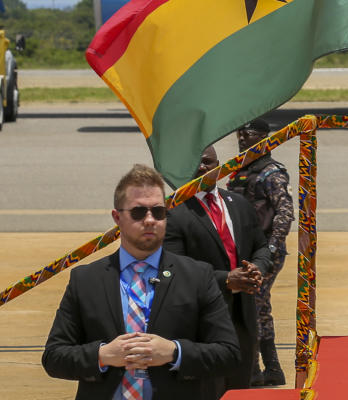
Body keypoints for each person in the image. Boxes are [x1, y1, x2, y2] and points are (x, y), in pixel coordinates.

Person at [42, 164, 241, 400]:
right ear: (117, 217)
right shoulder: (85, 280)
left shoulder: (198, 276)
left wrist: (174, 352)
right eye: (138, 212)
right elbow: (54, 357)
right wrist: (103, 355)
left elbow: (229, 354)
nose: (149, 220)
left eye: (158, 212)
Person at [163, 146, 273, 391]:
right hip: (200, 324)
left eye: (207, 162)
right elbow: (174, 268)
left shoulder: (239, 204)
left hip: (242, 320)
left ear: (218, 166)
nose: (202, 168)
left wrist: (257, 268)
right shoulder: (173, 211)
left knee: (239, 390)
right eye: (195, 163)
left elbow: (261, 247)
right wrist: (226, 279)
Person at [226, 118, 293, 387]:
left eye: (249, 133)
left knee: (254, 305)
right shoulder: (240, 170)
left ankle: (257, 370)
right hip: (247, 250)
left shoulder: (271, 172)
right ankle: (268, 368)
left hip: (265, 252)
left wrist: (272, 248)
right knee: (256, 306)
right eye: (240, 132)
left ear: (265, 137)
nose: (243, 137)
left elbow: (285, 213)